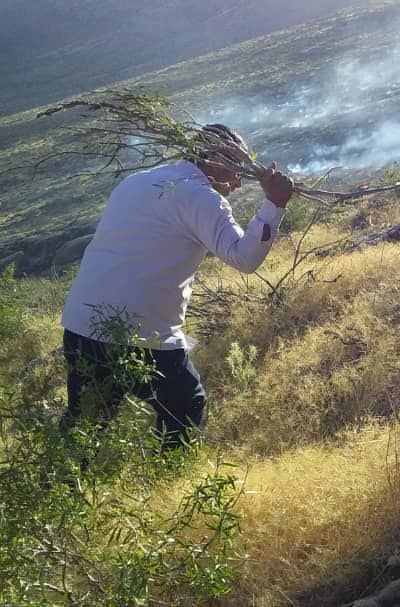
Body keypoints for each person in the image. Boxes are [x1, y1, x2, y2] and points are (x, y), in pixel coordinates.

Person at [59, 124, 294, 451]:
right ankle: (168, 481)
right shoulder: (200, 197)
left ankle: (56, 491)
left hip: (82, 325)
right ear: (212, 157)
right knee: (185, 404)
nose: (239, 182)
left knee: (84, 427)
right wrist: (274, 204)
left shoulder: (136, 182)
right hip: (138, 335)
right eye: (236, 166)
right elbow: (244, 258)